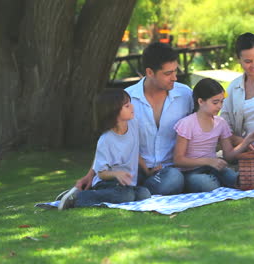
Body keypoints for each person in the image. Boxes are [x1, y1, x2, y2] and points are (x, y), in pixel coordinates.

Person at [70, 42, 193, 196]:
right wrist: (90, 175)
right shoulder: (126, 100)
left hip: (168, 171)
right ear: (150, 72)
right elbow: (110, 140)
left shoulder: (185, 94)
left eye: (175, 71)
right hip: (133, 170)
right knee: (172, 182)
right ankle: (133, 192)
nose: (174, 78)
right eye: (168, 74)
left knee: (175, 178)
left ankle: (132, 193)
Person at [58, 89, 151, 210]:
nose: (132, 106)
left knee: (145, 194)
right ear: (114, 112)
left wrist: (148, 171)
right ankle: (78, 198)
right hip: (107, 183)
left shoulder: (134, 124)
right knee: (125, 196)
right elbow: (101, 173)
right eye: (127, 106)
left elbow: (135, 152)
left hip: (126, 184)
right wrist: (117, 174)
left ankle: (74, 196)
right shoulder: (105, 140)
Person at [173, 78, 254, 192]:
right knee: (205, 184)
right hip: (191, 172)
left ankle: (226, 182)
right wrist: (208, 161)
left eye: (222, 102)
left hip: (214, 168)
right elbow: (178, 160)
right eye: (215, 102)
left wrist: (247, 141)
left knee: (237, 178)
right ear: (200, 102)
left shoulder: (220, 123)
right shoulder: (187, 124)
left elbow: (229, 156)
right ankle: (216, 184)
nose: (220, 106)